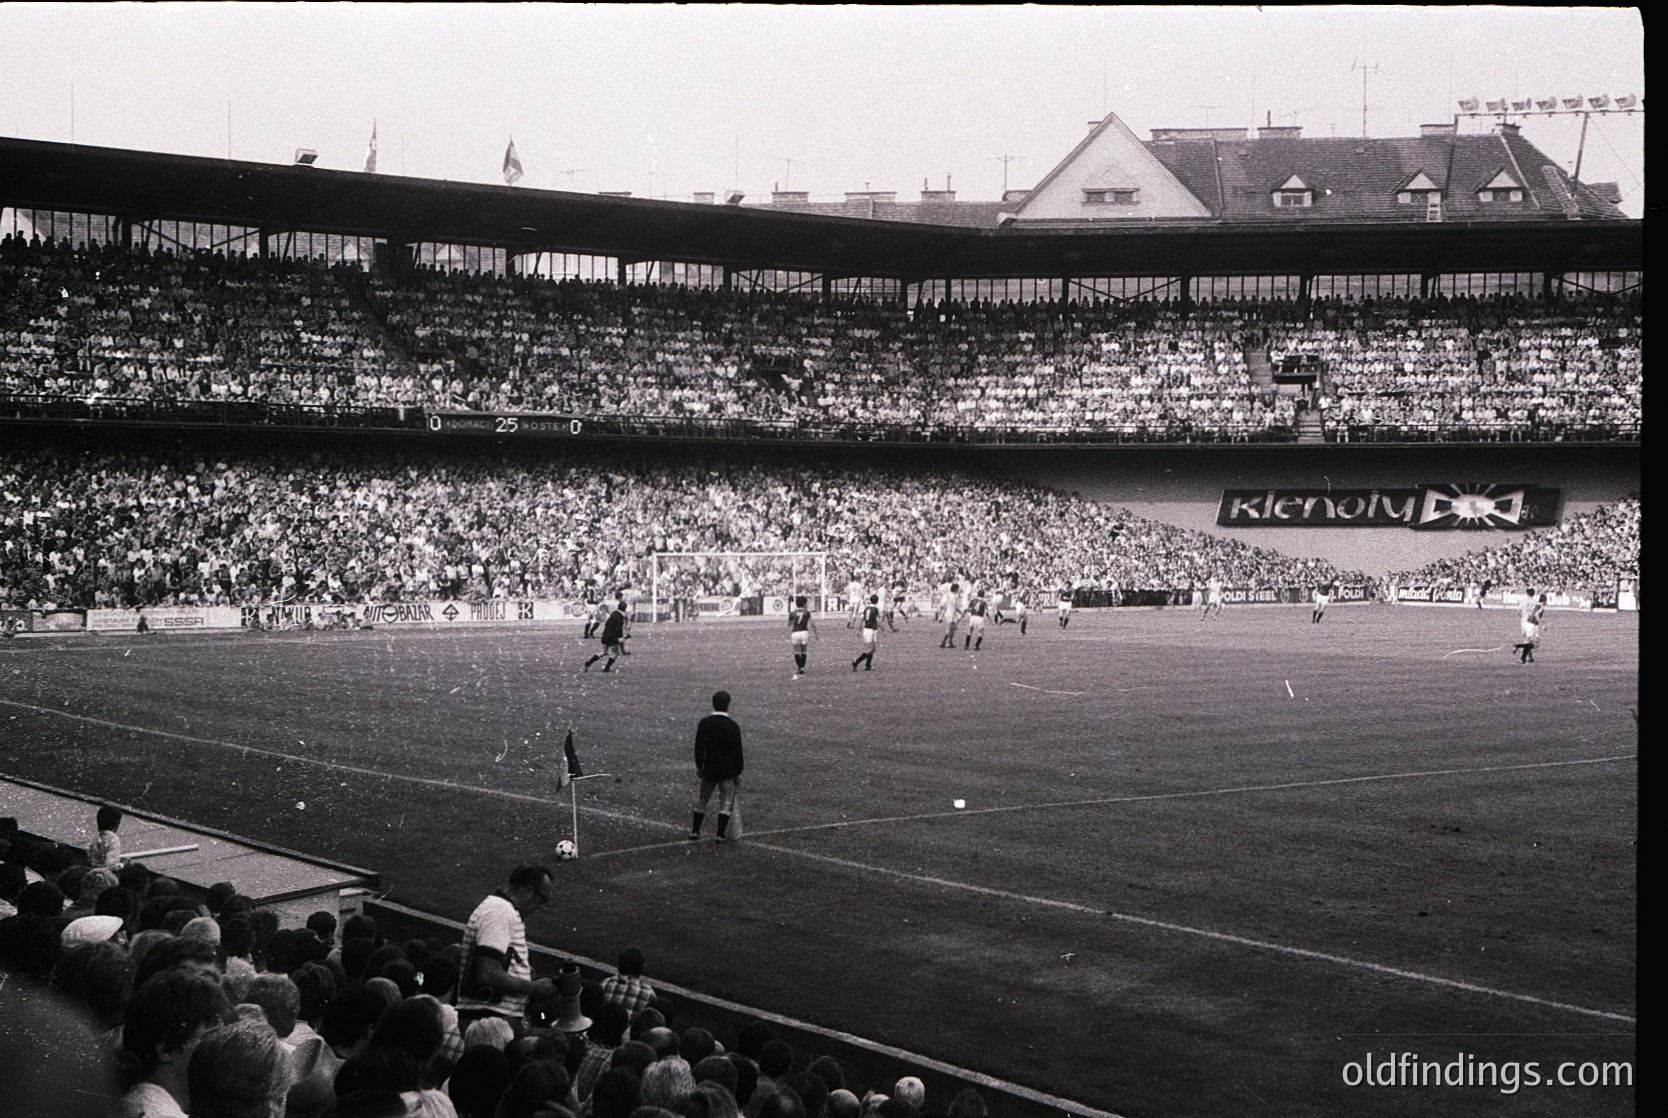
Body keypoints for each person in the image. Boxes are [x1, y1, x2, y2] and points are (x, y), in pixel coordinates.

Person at [456, 865, 558, 1032]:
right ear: (527, 890)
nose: (540, 907)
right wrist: (535, 988)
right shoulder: (500, 911)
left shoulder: (501, 910)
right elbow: (487, 973)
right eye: (542, 900)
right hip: (490, 1019)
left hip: (491, 1018)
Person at [690, 690, 744, 842]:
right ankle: (720, 834)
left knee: (703, 799)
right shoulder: (733, 726)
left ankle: (695, 831)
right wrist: (738, 771)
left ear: (713, 703)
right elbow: (737, 752)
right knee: (726, 802)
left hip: (710, 768)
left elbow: (699, 747)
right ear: (728, 704)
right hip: (727, 770)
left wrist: (700, 766)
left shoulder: (705, 723)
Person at [583, 600, 630, 673]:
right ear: (625, 609)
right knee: (615, 653)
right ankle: (606, 668)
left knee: (603, 652)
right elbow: (618, 629)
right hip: (613, 637)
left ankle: (588, 663)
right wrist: (622, 647)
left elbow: (607, 624)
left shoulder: (614, 613)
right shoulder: (620, 617)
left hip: (605, 635)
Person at [87, 804, 124, 871]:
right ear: (117, 824)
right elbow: (110, 865)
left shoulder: (96, 841)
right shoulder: (113, 840)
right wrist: (123, 864)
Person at [787, 595, 816, 678]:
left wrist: (794, 621)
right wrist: (816, 633)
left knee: (796, 651)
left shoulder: (792, 613)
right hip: (804, 632)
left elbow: (789, 624)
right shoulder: (807, 612)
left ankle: (799, 667)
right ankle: (802, 668)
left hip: (795, 633)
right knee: (803, 651)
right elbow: (812, 623)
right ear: (804, 604)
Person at [1514, 589, 1547, 663]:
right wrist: (1543, 624)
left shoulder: (1523, 601)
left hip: (1524, 622)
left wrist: (1523, 618)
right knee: (1532, 642)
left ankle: (1529, 657)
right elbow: (1537, 615)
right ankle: (1521, 654)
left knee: (1527, 639)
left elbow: (1518, 612)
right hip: (1532, 623)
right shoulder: (1536, 603)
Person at [852, 595, 881, 672]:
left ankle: (868, 665)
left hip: (867, 629)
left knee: (873, 648)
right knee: (870, 649)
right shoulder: (875, 609)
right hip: (871, 630)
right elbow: (878, 620)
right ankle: (856, 661)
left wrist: (859, 630)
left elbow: (861, 620)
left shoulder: (866, 608)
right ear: (877, 601)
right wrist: (883, 629)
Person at [938, 583, 965, 649]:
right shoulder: (954, 597)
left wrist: (941, 616)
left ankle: (950, 642)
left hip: (948, 614)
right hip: (952, 614)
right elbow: (956, 607)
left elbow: (944, 607)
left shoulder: (948, 596)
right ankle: (943, 642)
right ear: (956, 589)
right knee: (950, 629)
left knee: (953, 629)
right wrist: (961, 613)